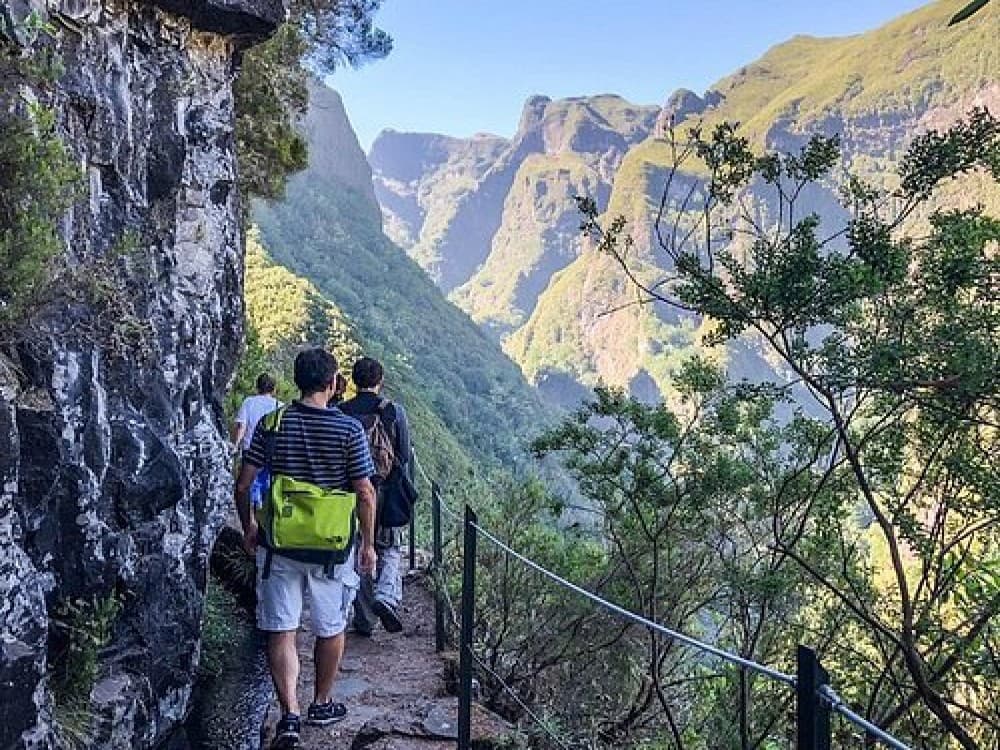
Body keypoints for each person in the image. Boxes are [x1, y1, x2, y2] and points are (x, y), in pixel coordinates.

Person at [235, 349, 377, 750]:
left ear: (297, 381)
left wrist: (249, 526)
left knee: (282, 627)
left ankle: (290, 716)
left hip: (280, 544)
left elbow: (244, 483)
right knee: (330, 626)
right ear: (332, 384)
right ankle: (322, 702)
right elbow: (364, 492)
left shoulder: (272, 424)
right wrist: (368, 544)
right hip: (331, 548)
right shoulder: (348, 430)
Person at [340, 357, 413, 636]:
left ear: (354, 380)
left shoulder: (341, 411)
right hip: (385, 489)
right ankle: (386, 596)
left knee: (360, 548)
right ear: (379, 381)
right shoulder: (394, 411)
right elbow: (404, 455)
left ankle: (365, 620)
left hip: (350, 492)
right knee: (390, 548)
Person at [231, 373, 281, 455]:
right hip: (270, 452)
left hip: (250, 449)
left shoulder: (249, 402)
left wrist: (235, 445)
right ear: (274, 389)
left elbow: (241, 426)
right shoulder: (279, 406)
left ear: (257, 387)